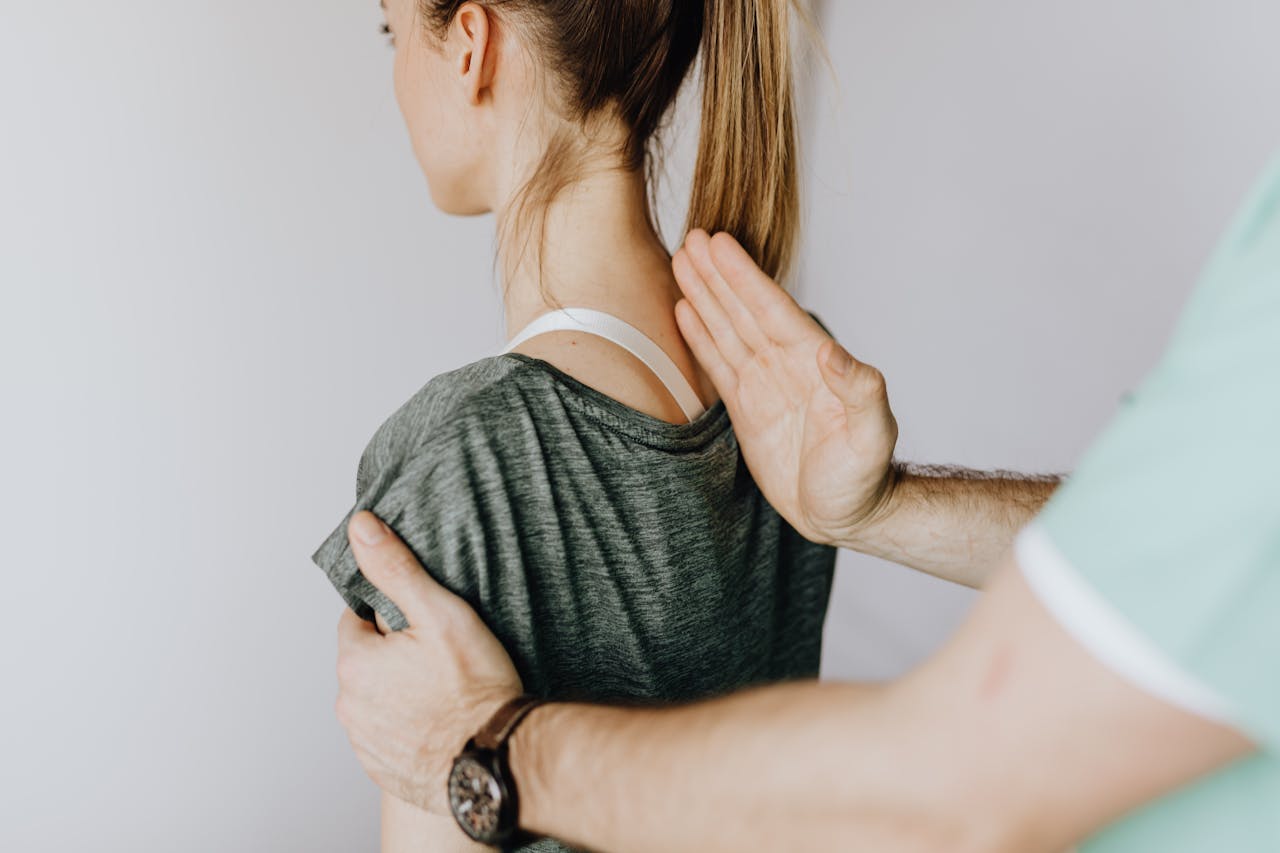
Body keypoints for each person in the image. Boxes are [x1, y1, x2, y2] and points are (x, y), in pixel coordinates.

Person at [333, 148, 1280, 851]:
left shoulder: (465, 448)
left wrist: (490, 747)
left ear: (472, 44)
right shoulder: (753, 403)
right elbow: (1194, 549)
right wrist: (880, 508)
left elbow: (950, 790)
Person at [309, 2, 942, 850]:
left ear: (472, 45)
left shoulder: (466, 461)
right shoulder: (783, 392)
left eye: (391, 31)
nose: (392, 72)